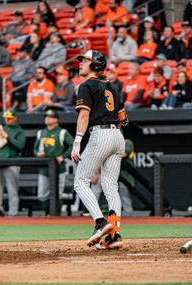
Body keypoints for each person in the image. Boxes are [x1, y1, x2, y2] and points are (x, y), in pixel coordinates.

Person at [72, 50, 128, 250]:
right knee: (111, 186)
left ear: (95, 65)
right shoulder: (112, 86)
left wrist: (77, 141)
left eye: (85, 61)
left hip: (100, 134)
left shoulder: (86, 85)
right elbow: (123, 118)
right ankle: (114, 235)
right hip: (117, 136)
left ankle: (100, 223)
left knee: (80, 182)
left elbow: (84, 116)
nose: (81, 64)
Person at [0, 108, 26, 216]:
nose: (7, 120)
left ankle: (13, 213)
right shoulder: (0, 128)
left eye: (9, 118)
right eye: (6, 118)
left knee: (12, 190)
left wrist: (8, 136)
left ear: (15, 118)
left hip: (11, 163)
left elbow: (20, 145)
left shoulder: (19, 131)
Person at [34, 109, 73, 215]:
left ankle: (56, 216)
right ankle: (47, 214)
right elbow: (35, 149)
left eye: (50, 117)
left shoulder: (62, 132)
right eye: (46, 116)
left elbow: (73, 145)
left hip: (58, 168)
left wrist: (63, 156)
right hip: (44, 168)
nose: (47, 118)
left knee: (57, 194)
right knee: (42, 194)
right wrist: (38, 153)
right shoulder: (41, 132)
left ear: (56, 120)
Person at [91, 139, 135, 216]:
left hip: (124, 176)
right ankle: (91, 214)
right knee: (97, 189)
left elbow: (124, 154)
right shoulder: (105, 143)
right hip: (109, 175)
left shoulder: (127, 142)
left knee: (125, 198)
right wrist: (96, 174)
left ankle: (128, 218)